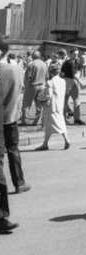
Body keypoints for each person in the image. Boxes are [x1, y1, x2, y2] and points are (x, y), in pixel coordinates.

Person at [0, 41, 30, 194]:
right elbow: (21, 90)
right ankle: (19, 182)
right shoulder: (17, 70)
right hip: (10, 116)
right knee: (13, 150)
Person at [35, 64, 71, 151]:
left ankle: (64, 140)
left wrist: (39, 98)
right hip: (59, 105)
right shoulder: (63, 81)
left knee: (51, 124)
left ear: (51, 72)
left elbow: (48, 95)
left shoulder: (50, 82)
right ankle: (46, 143)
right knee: (58, 123)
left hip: (51, 106)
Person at [21, 51, 48, 125]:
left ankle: (24, 120)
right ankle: (36, 121)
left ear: (33, 56)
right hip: (42, 86)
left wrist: (25, 85)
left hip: (32, 85)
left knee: (26, 104)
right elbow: (47, 77)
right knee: (39, 105)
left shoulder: (31, 64)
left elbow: (28, 77)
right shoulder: (44, 64)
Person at [61, 49, 85, 125]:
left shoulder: (77, 62)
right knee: (65, 102)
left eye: (77, 54)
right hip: (68, 82)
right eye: (74, 54)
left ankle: (77, 119)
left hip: (74, 82)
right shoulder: (67, 63)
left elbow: (79, 71)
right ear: (70, 54)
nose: (76, 55)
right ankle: (64, 120)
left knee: (77, 101)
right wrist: (81, 83)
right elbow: (71, 74)